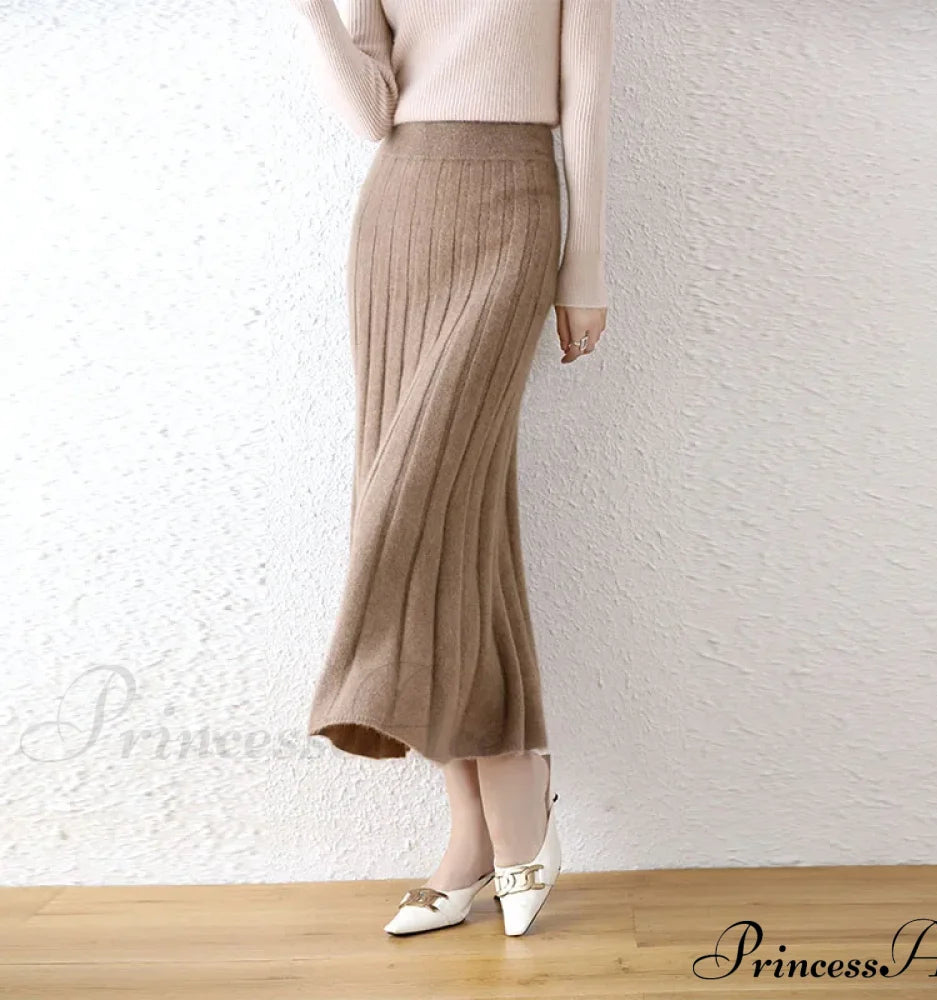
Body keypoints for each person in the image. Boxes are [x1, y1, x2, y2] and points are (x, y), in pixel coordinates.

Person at [287, 0, 615, 936]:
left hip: (514, 203)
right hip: (401, 214)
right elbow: (370, 114)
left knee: (421, 506)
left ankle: (506, 790)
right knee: (452, 523)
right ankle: (484, 828)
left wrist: (584, 267)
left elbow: (588, 96)